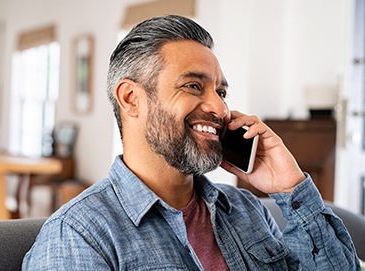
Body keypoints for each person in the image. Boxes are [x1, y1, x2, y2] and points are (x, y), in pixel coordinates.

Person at [22, 15, 360, 270]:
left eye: (221, 92)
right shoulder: (78, 236)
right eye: (193, 86)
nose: (220, 108)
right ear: (131, 98)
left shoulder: (246, 210)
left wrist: (291, 188)